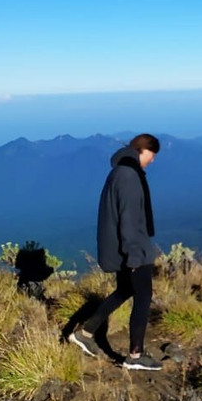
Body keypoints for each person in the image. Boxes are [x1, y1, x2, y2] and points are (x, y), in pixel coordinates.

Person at [69, 133, 163, 370]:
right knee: (143, 297)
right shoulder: (129, 176)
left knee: (125, 290)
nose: (153, 161)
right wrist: (133, 255)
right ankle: (135, 355)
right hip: (134, 250)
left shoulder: (121, 171)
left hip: (125, 247)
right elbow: (129, 220)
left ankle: (86, 333)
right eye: (153, 155)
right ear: (144, 150)